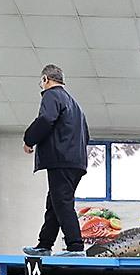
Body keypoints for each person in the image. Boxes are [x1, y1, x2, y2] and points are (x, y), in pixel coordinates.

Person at [21, 64, 91, 257]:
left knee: (62, 202)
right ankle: (44, 244)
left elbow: (46, 119)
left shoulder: (52, 95)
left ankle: (75, 246)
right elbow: (86, 134)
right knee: (54, 202)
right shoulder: (74, 104)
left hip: (61, 160)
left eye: (41, 82)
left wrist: (29, 140)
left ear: (45, 79)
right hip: (76, 161)